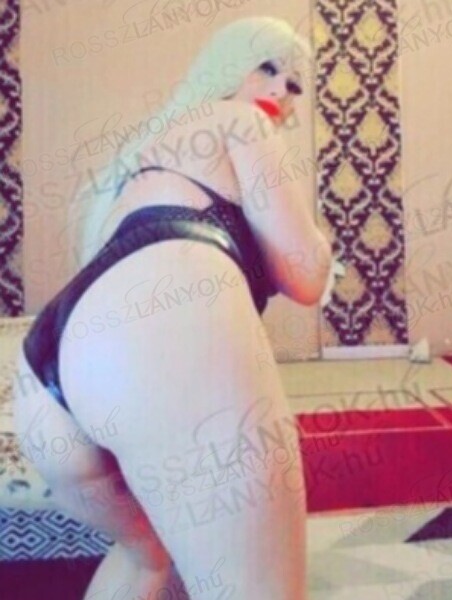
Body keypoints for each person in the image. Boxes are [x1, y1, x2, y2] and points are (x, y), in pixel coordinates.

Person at [13, 16, 332, 600]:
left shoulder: (137, 157)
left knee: (149, 560)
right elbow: (306, 274)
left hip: (51, 372)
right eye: (267, 67)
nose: (281, 90)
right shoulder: (239, 121)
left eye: (294, 83)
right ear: (224, 67)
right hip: (161, 337)